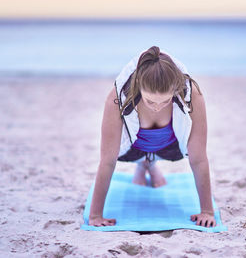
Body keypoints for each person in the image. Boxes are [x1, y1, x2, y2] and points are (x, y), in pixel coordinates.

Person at [88, 46, 216, 228]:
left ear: (176, 89)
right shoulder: (117, 98)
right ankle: (145, 163)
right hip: (132, 150)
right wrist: (95, 216)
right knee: (136, 160)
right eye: (150, 101)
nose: (157, 107)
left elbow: (198, 159)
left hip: (171, 148)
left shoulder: (192, 94)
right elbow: (108, 161)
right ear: (138, 86)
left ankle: (148, 164)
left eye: (165, 101)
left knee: (178, 158)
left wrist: (207, 211)